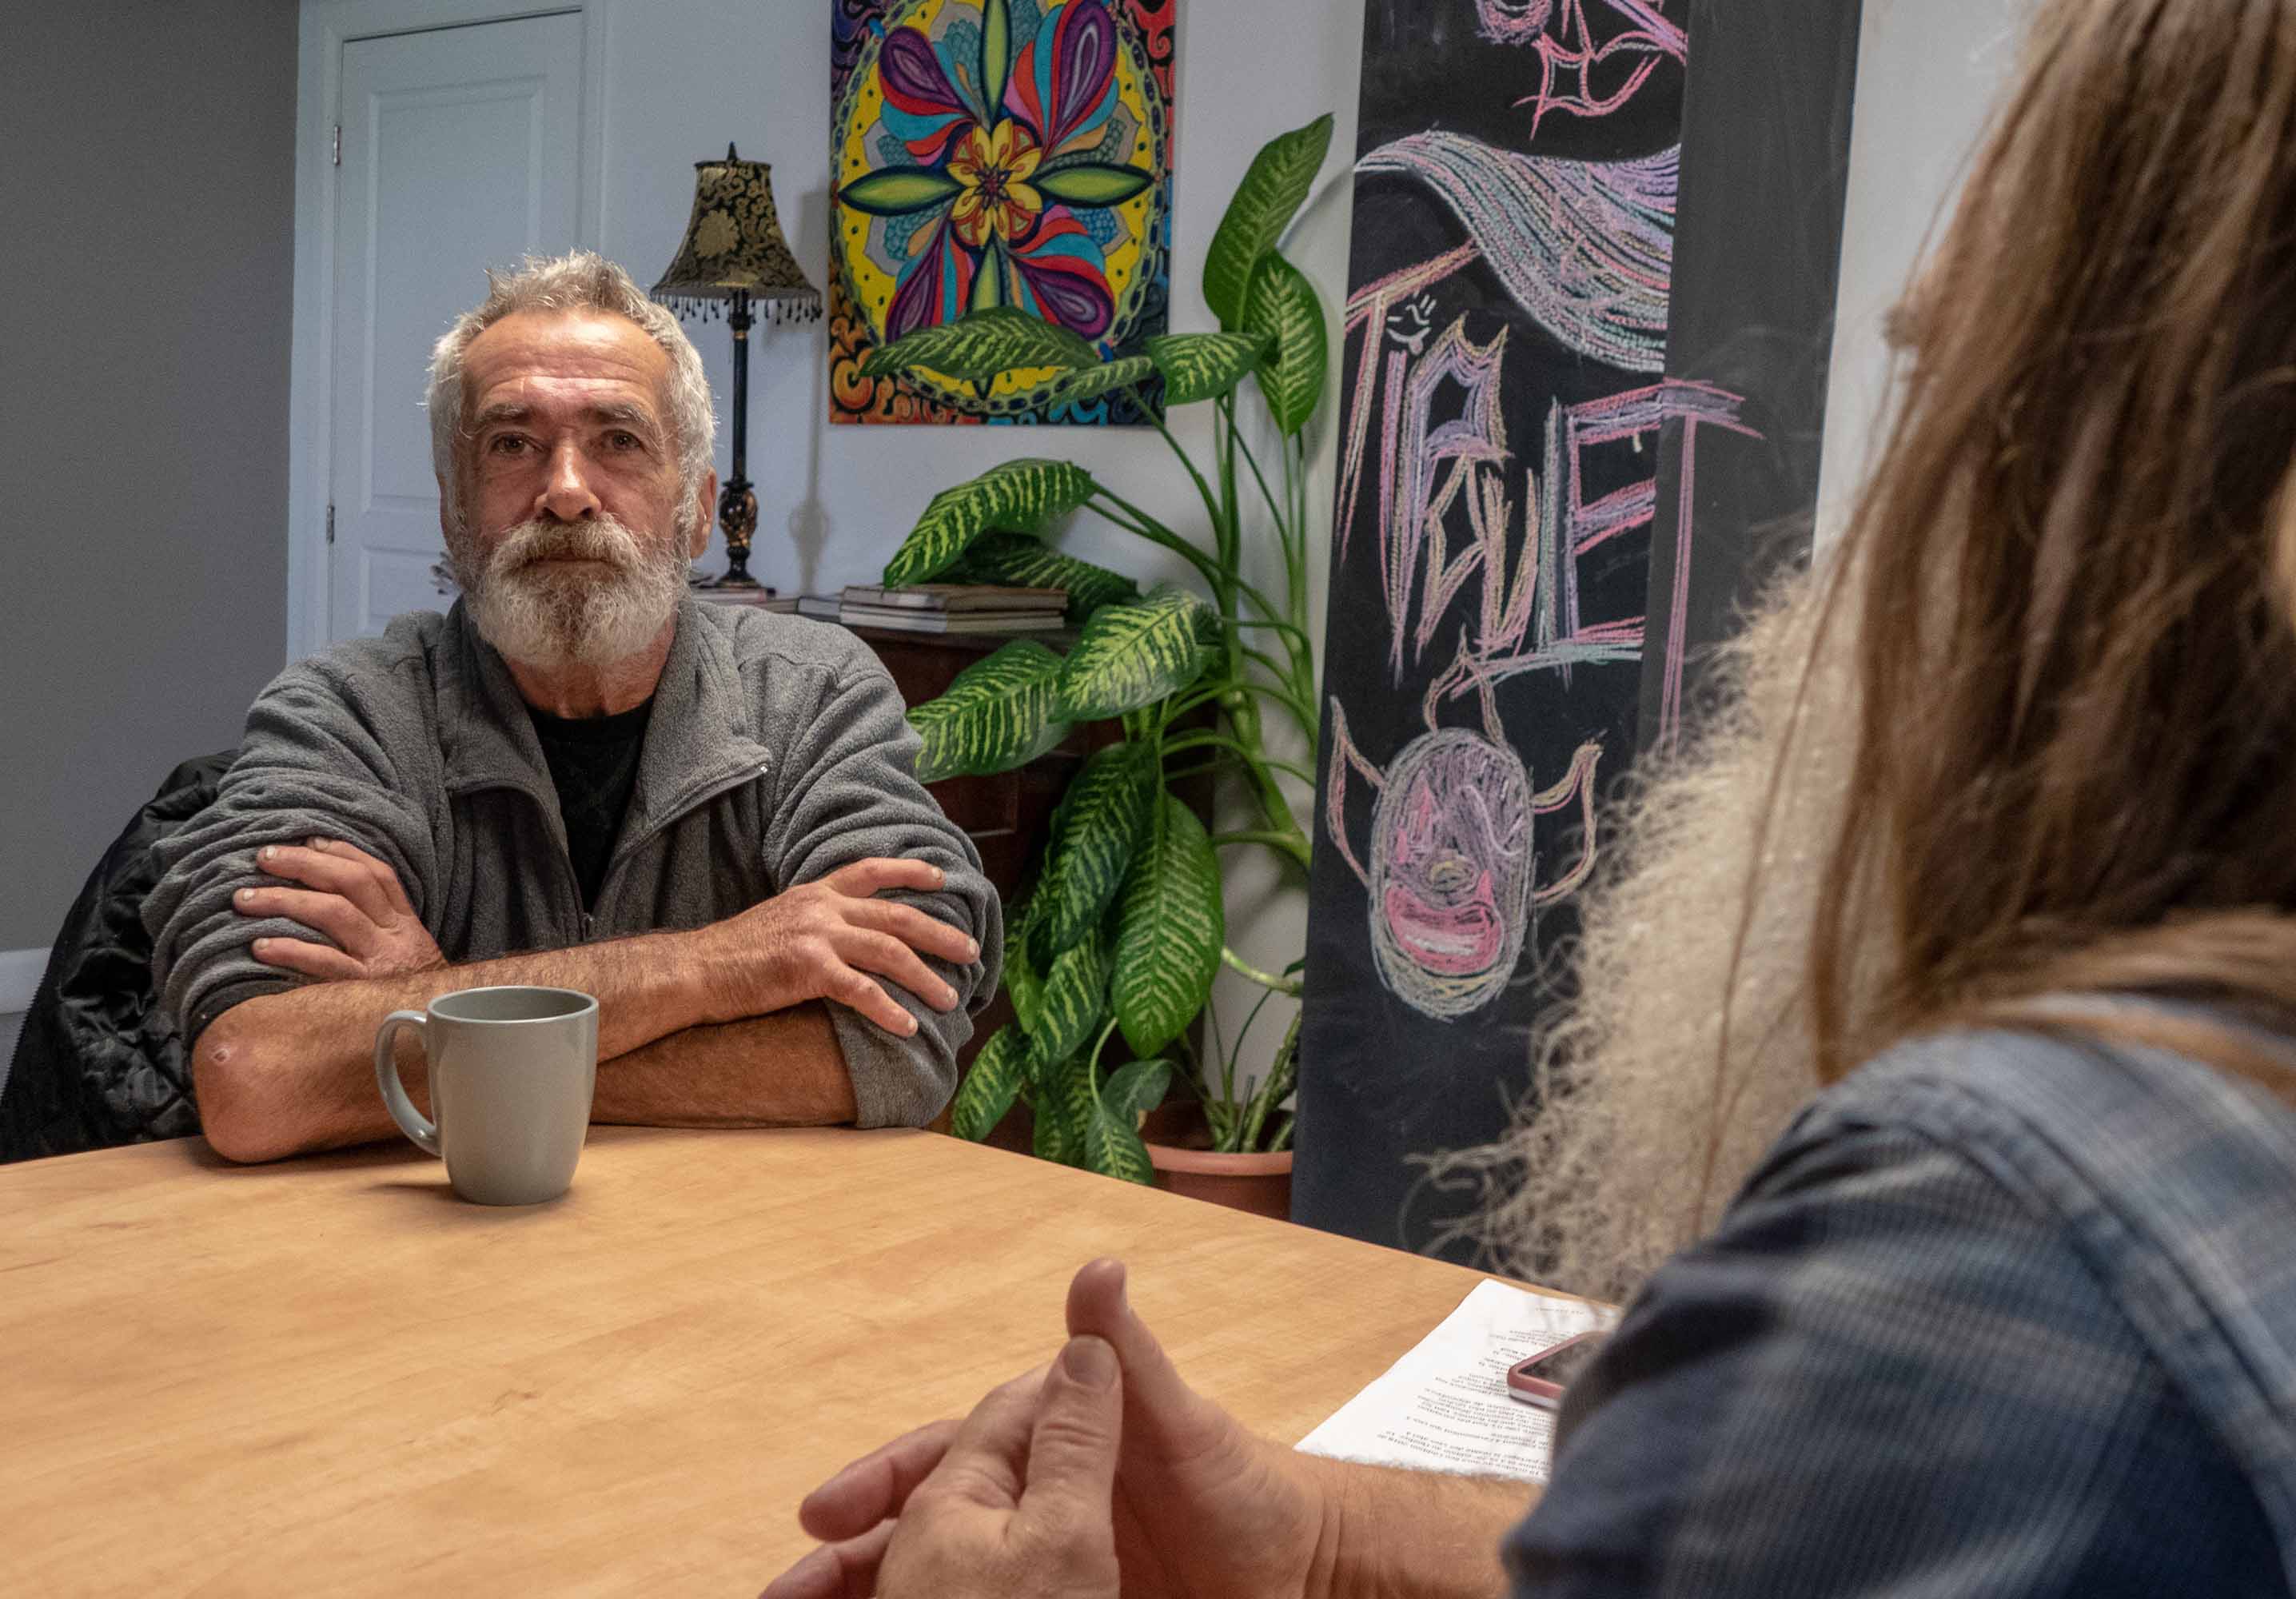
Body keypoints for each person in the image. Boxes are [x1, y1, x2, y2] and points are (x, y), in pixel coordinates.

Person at [765, 0, 2296, 1593]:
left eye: (1934, 379)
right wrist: (1323, 1540)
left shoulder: (1997, 1240)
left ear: (2120, 489)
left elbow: (888, 1032)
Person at [145, 251, 999, 1165]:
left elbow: (900, 1043)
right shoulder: (348, 710)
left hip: (740, 1233)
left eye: (619, 440)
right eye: (511, 444)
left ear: (697, 509)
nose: (564, 490)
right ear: (453, 507)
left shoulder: (811, 693)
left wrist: (443, 1007)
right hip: (422, 1237)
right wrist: (718, 963)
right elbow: (257, 1072)